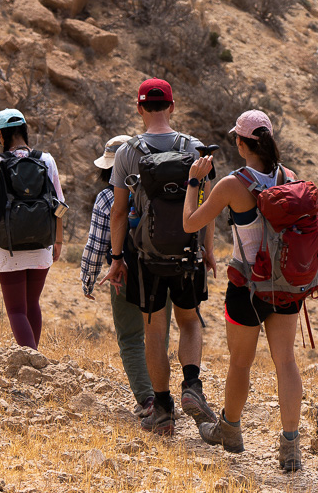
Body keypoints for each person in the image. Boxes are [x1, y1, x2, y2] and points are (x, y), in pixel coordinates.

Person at [183, 109, 306, 473]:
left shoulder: (234, 185)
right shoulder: (290, 178)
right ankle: (290, 447)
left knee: (241, 362)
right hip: (285, 288)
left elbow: (191, 222)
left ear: (240, 143)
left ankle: (231, 431)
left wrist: (194, 182)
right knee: (285, 361)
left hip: (247, 287)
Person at [108, 78, 218, 437]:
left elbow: (119, 213)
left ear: (139, 109)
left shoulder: (127, 153)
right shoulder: (195, 148)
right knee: (189, 321)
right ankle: (192, 386)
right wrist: (208, 250)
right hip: (188, 255)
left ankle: (163, 411)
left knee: (154, 332)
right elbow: (209, 205)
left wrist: (115, 257)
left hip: (147, 258)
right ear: (172, 106)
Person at [79, 134, 161, 423]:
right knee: (157, 335)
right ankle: (163, 399)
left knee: (130, 338)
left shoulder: (106, 198)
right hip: (161, 269)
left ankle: (147, 399)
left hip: (123, 273)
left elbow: (96, 244)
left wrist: (88, 278)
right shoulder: (158, 189)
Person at [0, 108, 66, 349]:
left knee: (15, 309)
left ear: (1, 135)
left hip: (8, 246)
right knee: (32, 303)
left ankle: (31, 358)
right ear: (24, 131)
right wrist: (59, 240)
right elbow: (60, 205)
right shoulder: (46, 160)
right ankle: (35, 356)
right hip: (42, 242)